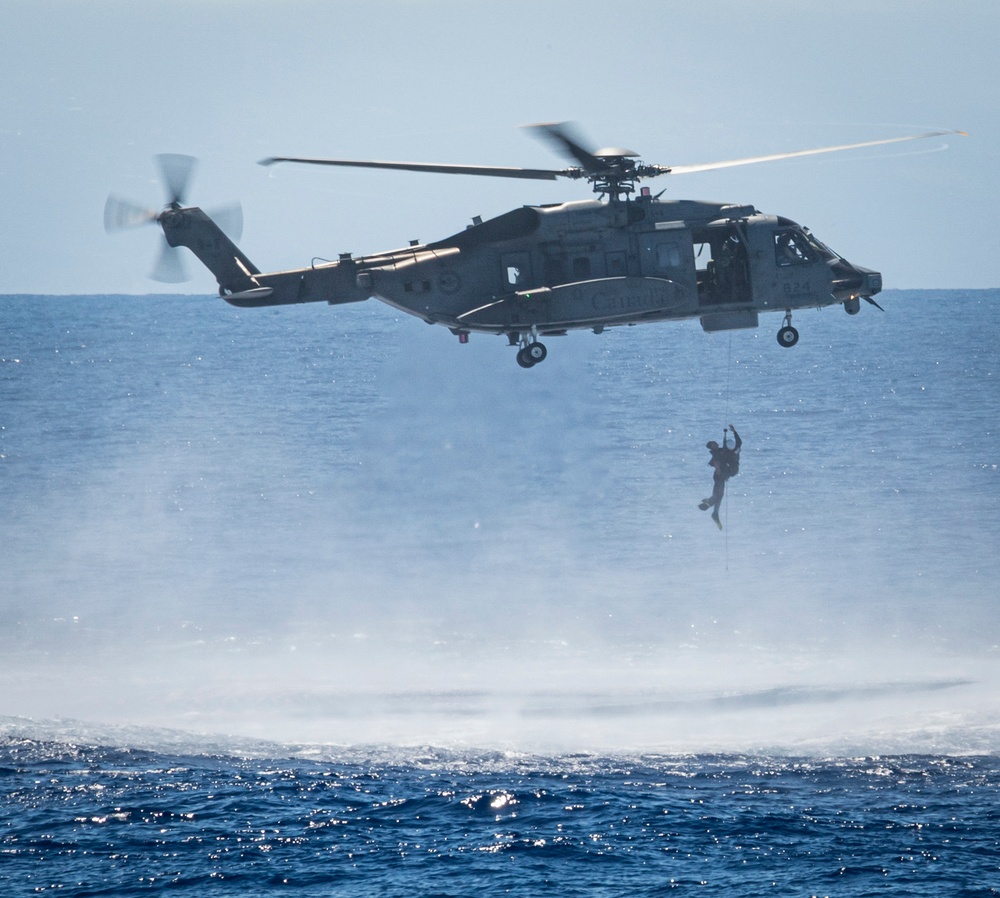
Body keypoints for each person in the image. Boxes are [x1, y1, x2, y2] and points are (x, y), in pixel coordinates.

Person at [698, 424, 741, 529]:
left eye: (716, 443)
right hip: (719, 476)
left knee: (718, 495)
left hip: (723, 475)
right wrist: (719, 472)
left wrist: (734, 432)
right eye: (714, 444)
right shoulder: (716, 454)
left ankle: (709, 505)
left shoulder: (723, 451)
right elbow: (717, 464)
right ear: (712, 447)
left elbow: (739, 443)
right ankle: (710, 508)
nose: (717, 444)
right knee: (719, 496)